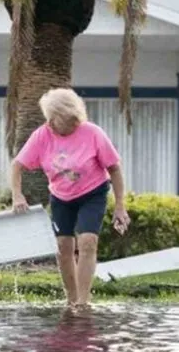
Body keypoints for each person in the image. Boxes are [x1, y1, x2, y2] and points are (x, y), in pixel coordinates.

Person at [11, 88, 130, 308]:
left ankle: (83, 303)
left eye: (75, 120)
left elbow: (114, 168)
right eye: (66, 120)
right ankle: (72, 299)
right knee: (63, 246)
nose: (72, 124)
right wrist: (17, 196)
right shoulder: (42, 136)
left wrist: (120, 206)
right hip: (61, 196)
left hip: (92, 193)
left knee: (87, 241)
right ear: (53, 119)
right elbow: (17, 166)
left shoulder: (92, 133)